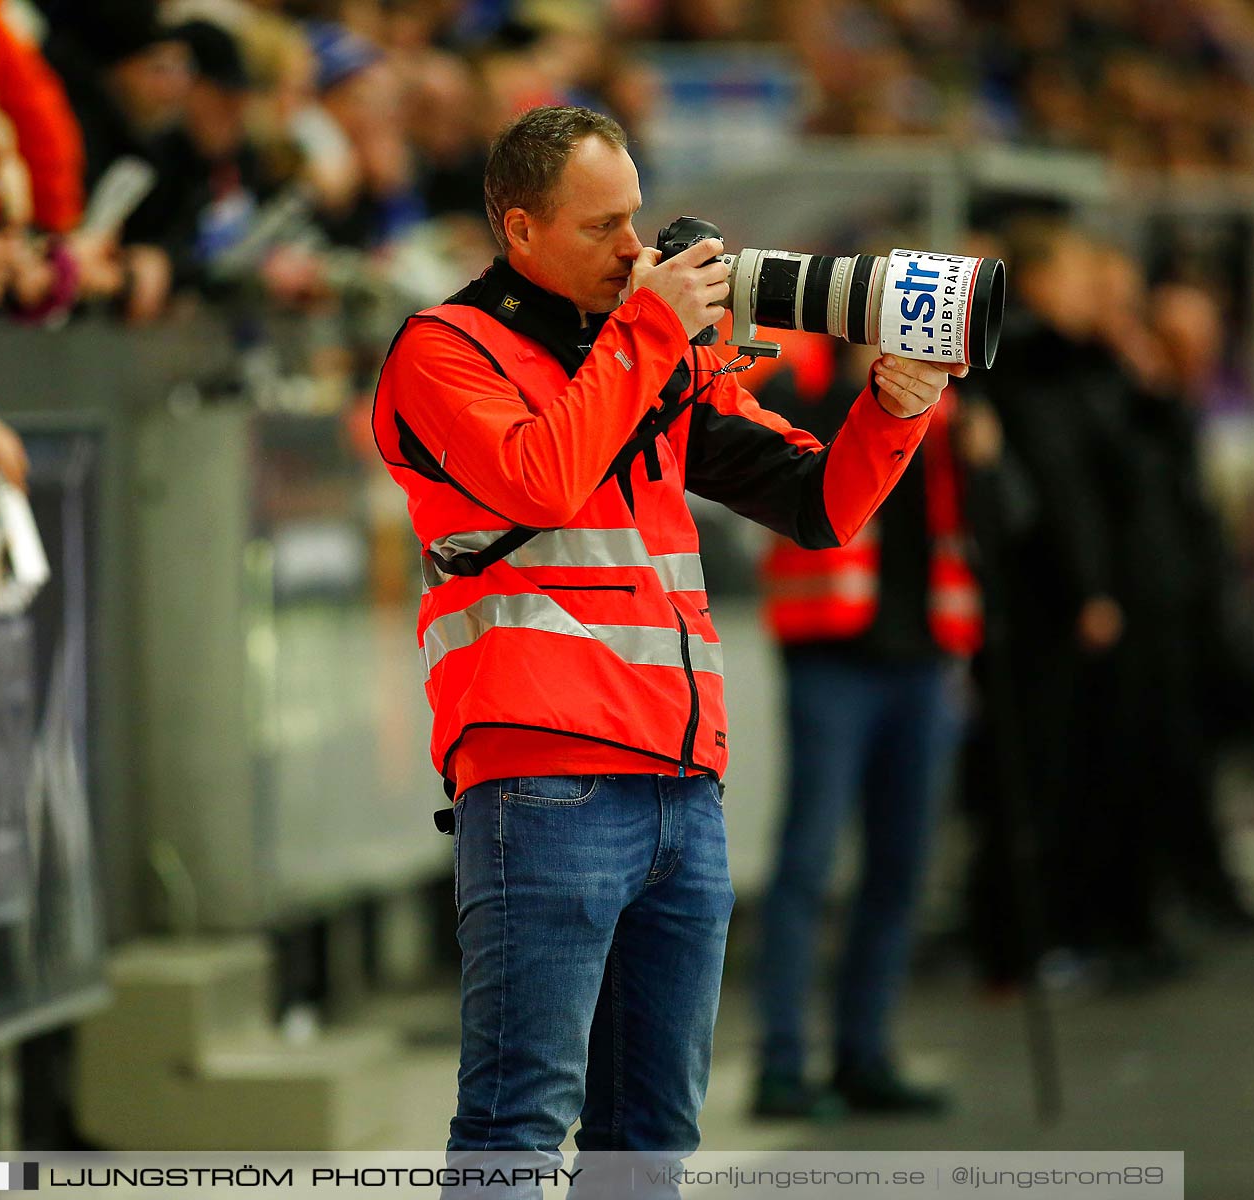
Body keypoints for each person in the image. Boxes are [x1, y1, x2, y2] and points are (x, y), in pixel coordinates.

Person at [371, 105, 960, 1182]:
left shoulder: (636, 357)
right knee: (515, 1126)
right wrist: (651, 334)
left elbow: (818, 503)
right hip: (543, 777)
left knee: (652, 1138)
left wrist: (894, 407)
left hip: (682, 788)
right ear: (520, 232)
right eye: (602, 228)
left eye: (635, 220)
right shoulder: (442, 351)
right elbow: (538, 477)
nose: (637, 252)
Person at [749, 338, 993, 1119]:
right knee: (808, 860)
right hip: (831, 652)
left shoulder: (946, 406)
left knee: (901, 862)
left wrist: (985, 456)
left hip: (923, 657)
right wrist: (860, 393)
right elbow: (783, 480)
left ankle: (865, 1053)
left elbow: (997, 519)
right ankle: (782, 1064)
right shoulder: (801, 384)